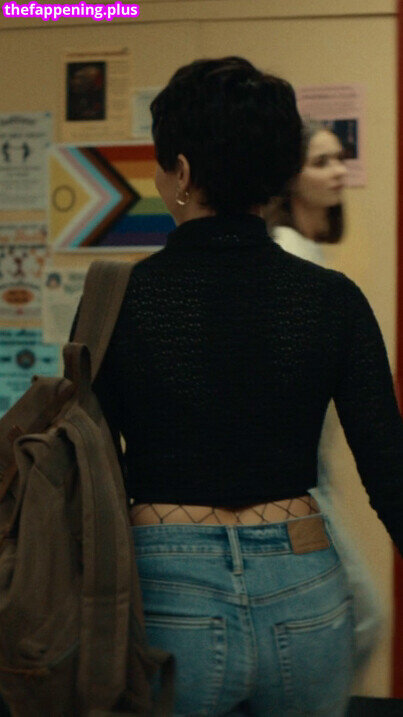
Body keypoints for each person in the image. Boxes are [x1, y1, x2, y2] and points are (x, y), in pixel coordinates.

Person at [70, 58, 403, 716]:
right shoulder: (331, 297)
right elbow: (387, 466)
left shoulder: (119, 298)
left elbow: (89, 468)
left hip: (165, 590)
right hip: (305, 580)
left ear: (182, 171)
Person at [266, 119, 385, 678]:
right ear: (289, 178)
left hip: (316, 466)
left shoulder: (307, 251)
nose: (338, 171)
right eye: (321, 162)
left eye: (339, 158)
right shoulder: (288, 252)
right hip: (298, 474)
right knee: (363, 616)